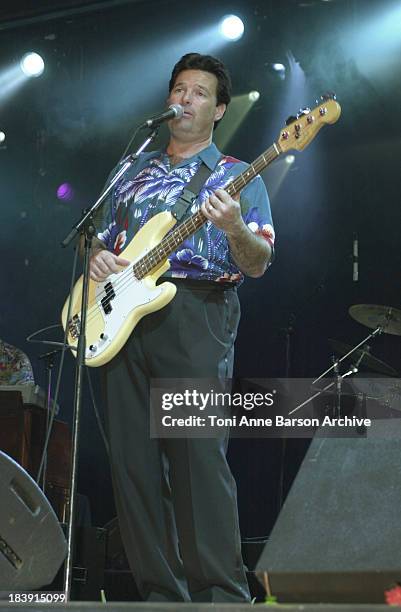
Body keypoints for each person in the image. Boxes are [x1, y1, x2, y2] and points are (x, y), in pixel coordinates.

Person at [90, 53, 275, 603]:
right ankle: (160, 596)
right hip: (121, 315)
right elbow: (97, 239)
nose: (185, 98)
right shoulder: (131, 170)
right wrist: (96, 259)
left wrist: (235, 224)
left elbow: (259, 260)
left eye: (199, 92)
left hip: (195, 311)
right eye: (179, 88)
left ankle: (221, 593)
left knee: (196, 457)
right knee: (133, 465)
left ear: (219, 109)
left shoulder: (237, 175)